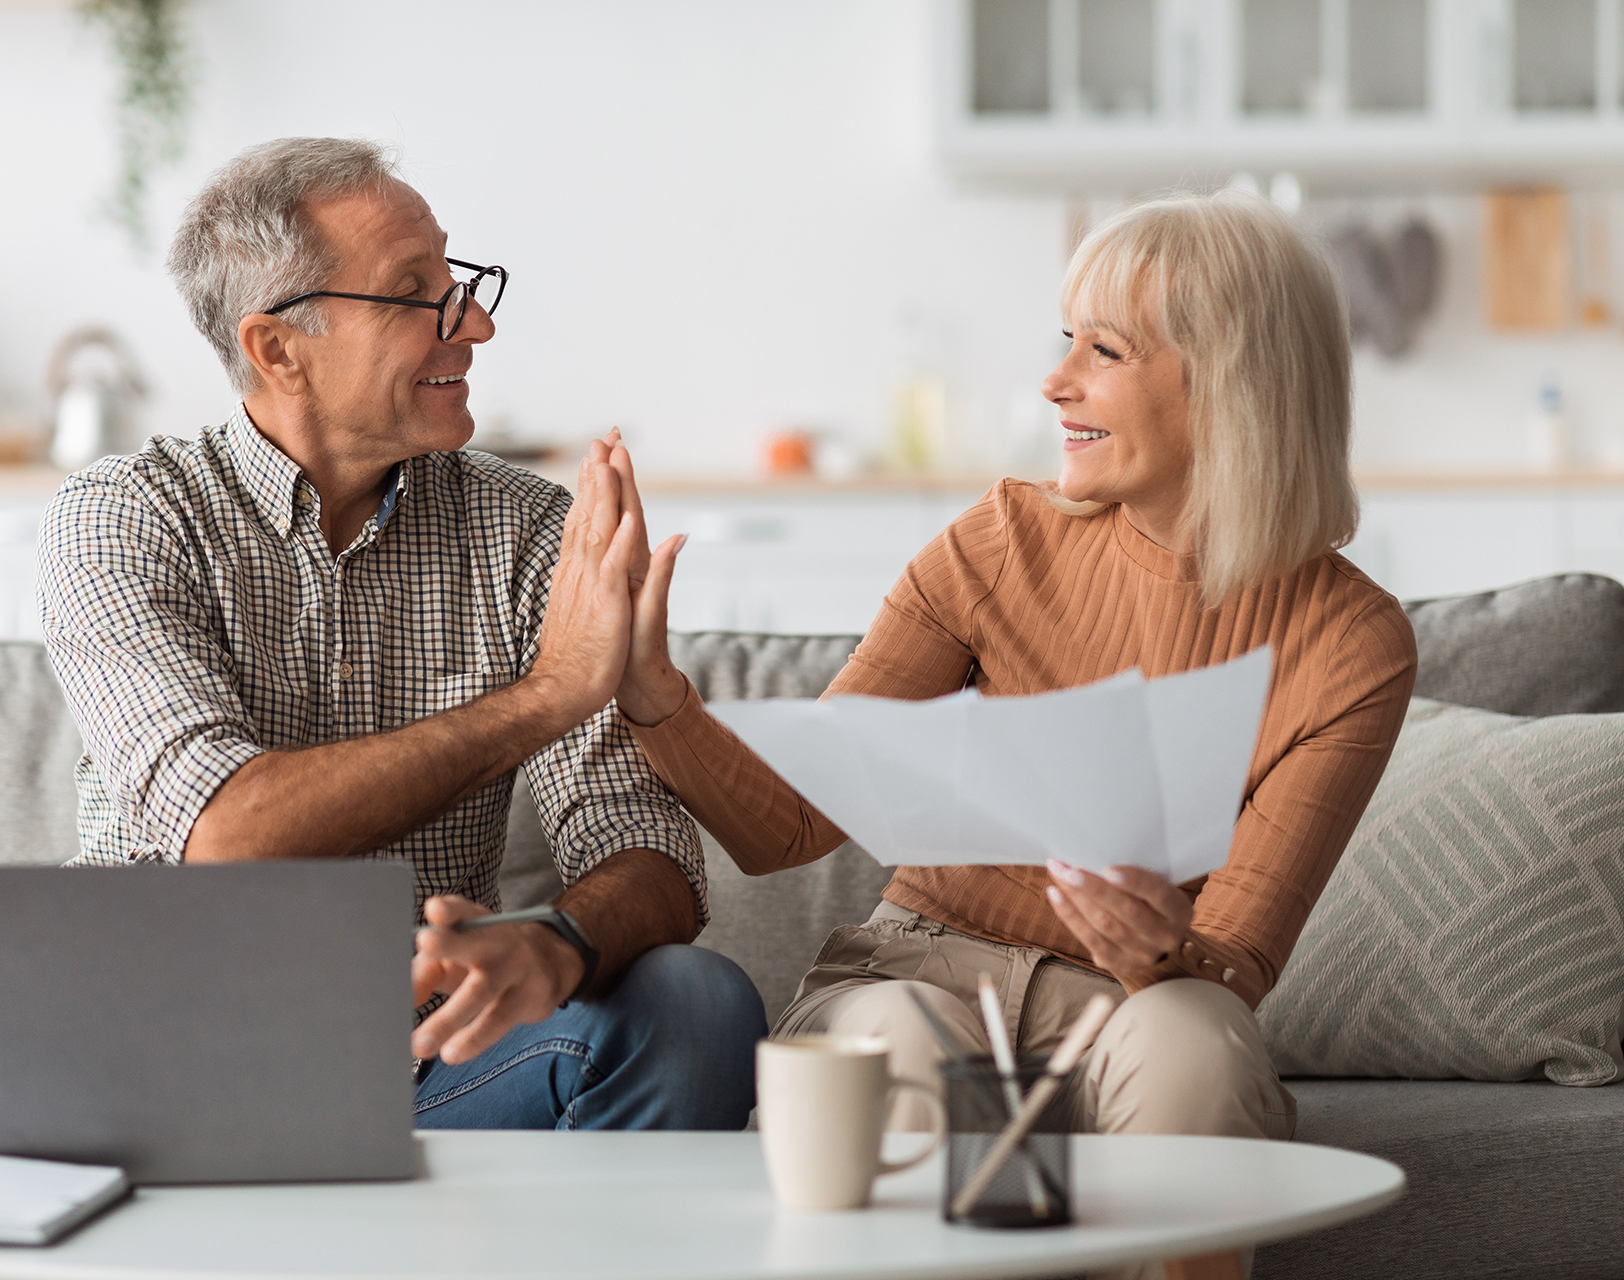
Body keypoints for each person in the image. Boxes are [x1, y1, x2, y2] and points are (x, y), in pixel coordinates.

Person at [0, 136, 766, 1135]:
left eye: (460, 283)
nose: (475, 321)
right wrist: (546, 695)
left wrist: (560, 939)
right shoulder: (124, 514)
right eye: (418, 292)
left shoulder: (529, 534)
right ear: (278, 348)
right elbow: (228, 832)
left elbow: (647, 852)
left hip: (418, 1071)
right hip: (108, 1047)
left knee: (693, 1002)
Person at [605, 190, 1416, 1171]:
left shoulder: (1352, 641)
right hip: (920, 969)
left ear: (1226, 385)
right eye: (1066, 340)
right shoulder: (1000, 540)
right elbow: (788, 826)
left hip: (1133, 1010)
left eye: (1102, 353)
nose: (1053, 382)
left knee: (1193, 1046)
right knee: (894, 1040)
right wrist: (650, 687)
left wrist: (1161, 951)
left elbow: (1235, 951)